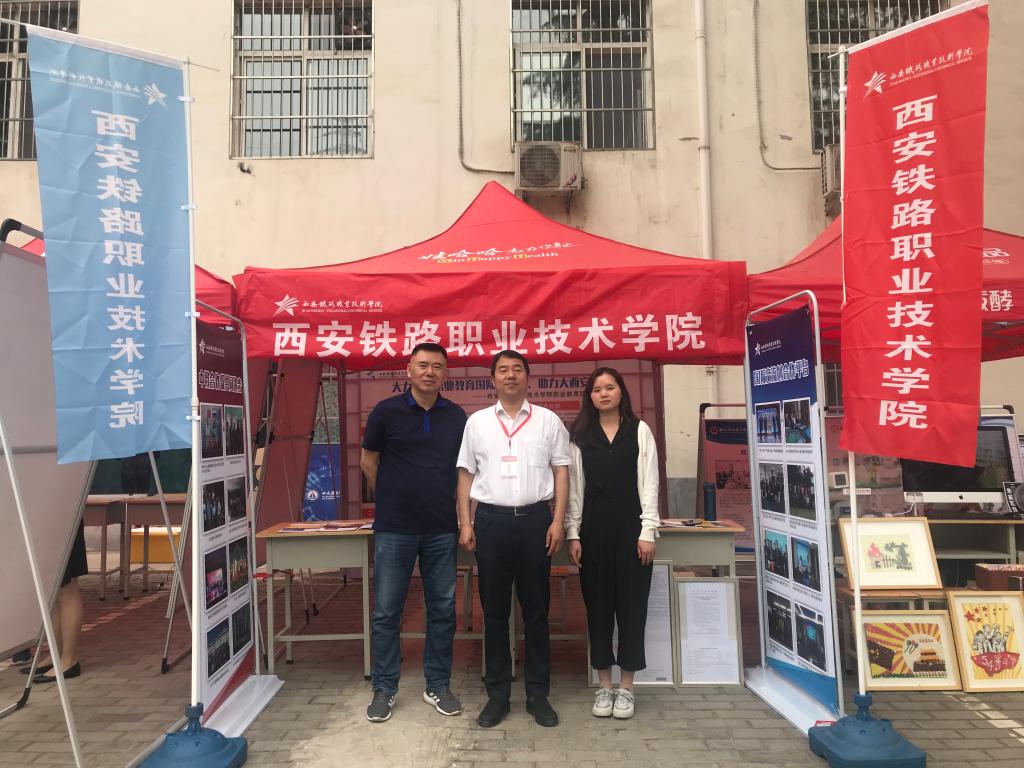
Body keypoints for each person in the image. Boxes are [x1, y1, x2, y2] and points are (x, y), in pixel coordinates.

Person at [456, 350, 570, 728]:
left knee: (536, 610)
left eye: (517, 370)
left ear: (527, 378)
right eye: (503, 370)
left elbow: (562, 472)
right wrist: (466, 523)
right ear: (493, 379)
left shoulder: (548, 421)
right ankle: (498, 695)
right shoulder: (477, 423)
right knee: (494, 612)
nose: (510, 376)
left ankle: (538, 695)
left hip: (536, 520)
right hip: (491, 521)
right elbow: (465, 475)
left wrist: (558, 521)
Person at [360, 343, 468, 723]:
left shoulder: (456, 416)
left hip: (441, 527)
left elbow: (463, 470)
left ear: (445, 373)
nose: (429, 372)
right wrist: (392, 495)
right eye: (422, 365)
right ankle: (384, 687)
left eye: (437, 366)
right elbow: (368, 461)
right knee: (387, 611)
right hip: (395, 528)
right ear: (408, 369)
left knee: (442, 610)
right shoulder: (386, 412)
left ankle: (437, 684)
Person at [565, 367, 659, 720]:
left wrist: (648, 531)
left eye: (610, 387)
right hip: (593, 530)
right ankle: (604, 685)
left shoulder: (639, 430)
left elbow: (650, 483)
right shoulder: (580, 436)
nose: (603, 394)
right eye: (597, 389)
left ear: (621, 392)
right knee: (599, 607)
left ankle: (627, 687)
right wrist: (573, 533)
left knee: (632, 608)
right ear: (589, 396)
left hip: (631, 529)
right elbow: (575, 488)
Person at [28, 523, 87, 683]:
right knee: (53, 592)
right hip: (46, 522)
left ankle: (68, 660)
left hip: (64, 522)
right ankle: (56, 655)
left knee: (67, 589)